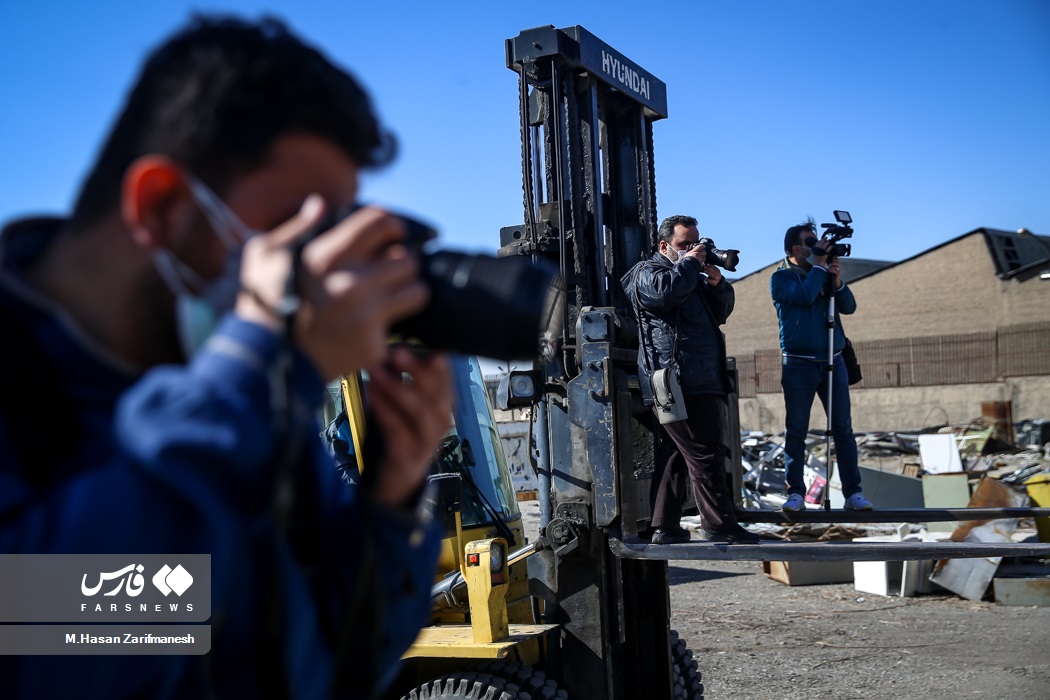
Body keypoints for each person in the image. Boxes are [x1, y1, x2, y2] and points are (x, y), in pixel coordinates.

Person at [0, 15, 454, 699]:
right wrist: (252, 373)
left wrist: (389, 509)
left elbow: (344, 664)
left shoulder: (252, 395)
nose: (313, 280)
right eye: (291, 240)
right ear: (162, 206)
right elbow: (45, 641)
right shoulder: (244, 388)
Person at [622, 215, 759, 545]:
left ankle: (664, 526)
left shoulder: (690, 277)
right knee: (704, 452)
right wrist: (689, 265)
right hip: (673, 380)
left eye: (696, 243)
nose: (693, 250)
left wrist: (717, 284)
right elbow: (664, 296)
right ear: (664, 246)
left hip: (699, 376)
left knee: (678, 454)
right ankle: (719, 525)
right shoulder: (647, 273)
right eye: (685, 244)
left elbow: (721, 313)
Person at [770, 218, 873, 512]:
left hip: (833, 360)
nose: (817, 247)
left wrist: (837, 282)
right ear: (794, 248)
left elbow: (849, 307)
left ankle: (853, 493)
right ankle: (796, 494)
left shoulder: (823, 273)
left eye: (817, 241)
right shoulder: (781, 278)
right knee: (797, 430)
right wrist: (818, 267)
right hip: (799, 365)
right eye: (809, 242)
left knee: (843, 429)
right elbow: (803, 296)